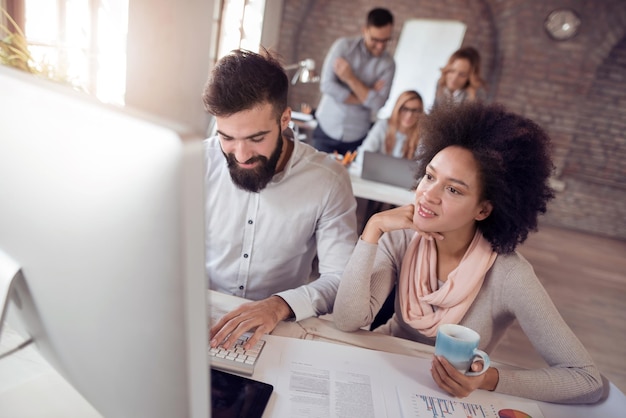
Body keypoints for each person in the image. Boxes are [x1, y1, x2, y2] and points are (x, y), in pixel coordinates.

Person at [333, 102, 604, 404]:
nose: (428, 195)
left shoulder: (509, 274)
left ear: (483, 209)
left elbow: (587, 379)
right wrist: (372, 229)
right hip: (381, 371)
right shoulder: (400, 238)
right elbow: (347, 319)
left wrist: (488, 379)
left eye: (454, 190)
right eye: (430, 176)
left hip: (445, 400)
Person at [202, 49, 358, 351]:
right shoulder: (199, 162)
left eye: (256, 138)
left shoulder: (328, 180)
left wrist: (278, 305)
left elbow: (340, 279)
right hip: (204, 320)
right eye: (227, 138)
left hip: (278, 328)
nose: (241, 154)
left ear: (285, 119)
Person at [312, 7, 396, 155]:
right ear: (365, 30)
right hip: (326, 127)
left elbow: (378, 104)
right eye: (375, 40)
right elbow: (327, 85)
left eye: (385, 41)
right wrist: (366, 95)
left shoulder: (388, 64)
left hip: (357, 135)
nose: (380, 46)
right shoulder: (343, 47)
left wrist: (350, 78)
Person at [354, 90, 424, 165]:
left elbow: (421, 165)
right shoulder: (383, 125)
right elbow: (363, 155)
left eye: (415, 111)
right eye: (405, 109)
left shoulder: (422, 134)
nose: (409, 115)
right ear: (397, 108)